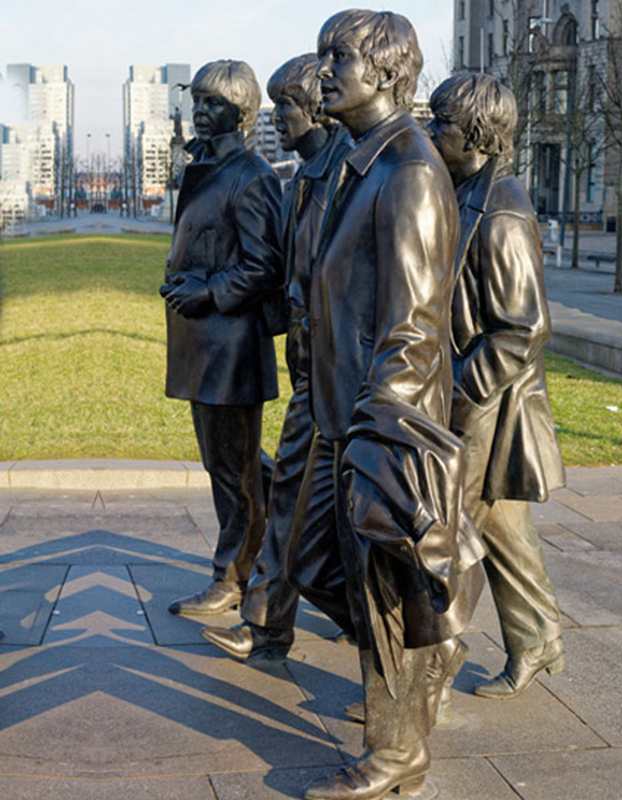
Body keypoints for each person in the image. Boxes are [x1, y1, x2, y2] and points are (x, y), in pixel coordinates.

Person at [284, 11, 484, 800]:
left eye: (341, 59)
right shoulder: (357, 161)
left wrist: (376, 432)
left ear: (390, 73)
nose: (324, 70)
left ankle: (396, 749)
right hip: (341, 412)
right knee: (312, 564)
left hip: (378, 423)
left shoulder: (408, 170)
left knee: (377, 591)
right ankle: (434, 638)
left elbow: (413, 323)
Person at [202, 54, 352, 664]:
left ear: (314, 108)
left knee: (314, 510)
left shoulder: (344, 175)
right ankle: (269, 627)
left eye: (285, 106)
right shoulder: (309, 175)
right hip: (309, 369)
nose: (277, 117)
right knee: (293, 502)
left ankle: (388, 635)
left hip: (339, 376)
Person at [428, 71, 566, 699]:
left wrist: (460, 390)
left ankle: (432, 661)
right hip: (465, 394)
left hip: (485, 403)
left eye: (444, 125)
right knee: (502, 528)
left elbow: (521, 328)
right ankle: (538, 641)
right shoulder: (460, 193)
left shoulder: (502, 209)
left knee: (449, 529)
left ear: (478, 135)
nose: (432, 134)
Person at [161, 60, 285, 617]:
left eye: (214, 104)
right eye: (199, 100)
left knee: (233, 473)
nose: (200, 111)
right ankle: (292, 542)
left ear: (240, 114)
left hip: (230, 349)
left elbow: (264, 266)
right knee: (232, 466)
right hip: (203, 345)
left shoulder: (252, 176)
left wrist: (207, 292)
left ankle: (233, 577)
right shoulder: (207, 167)